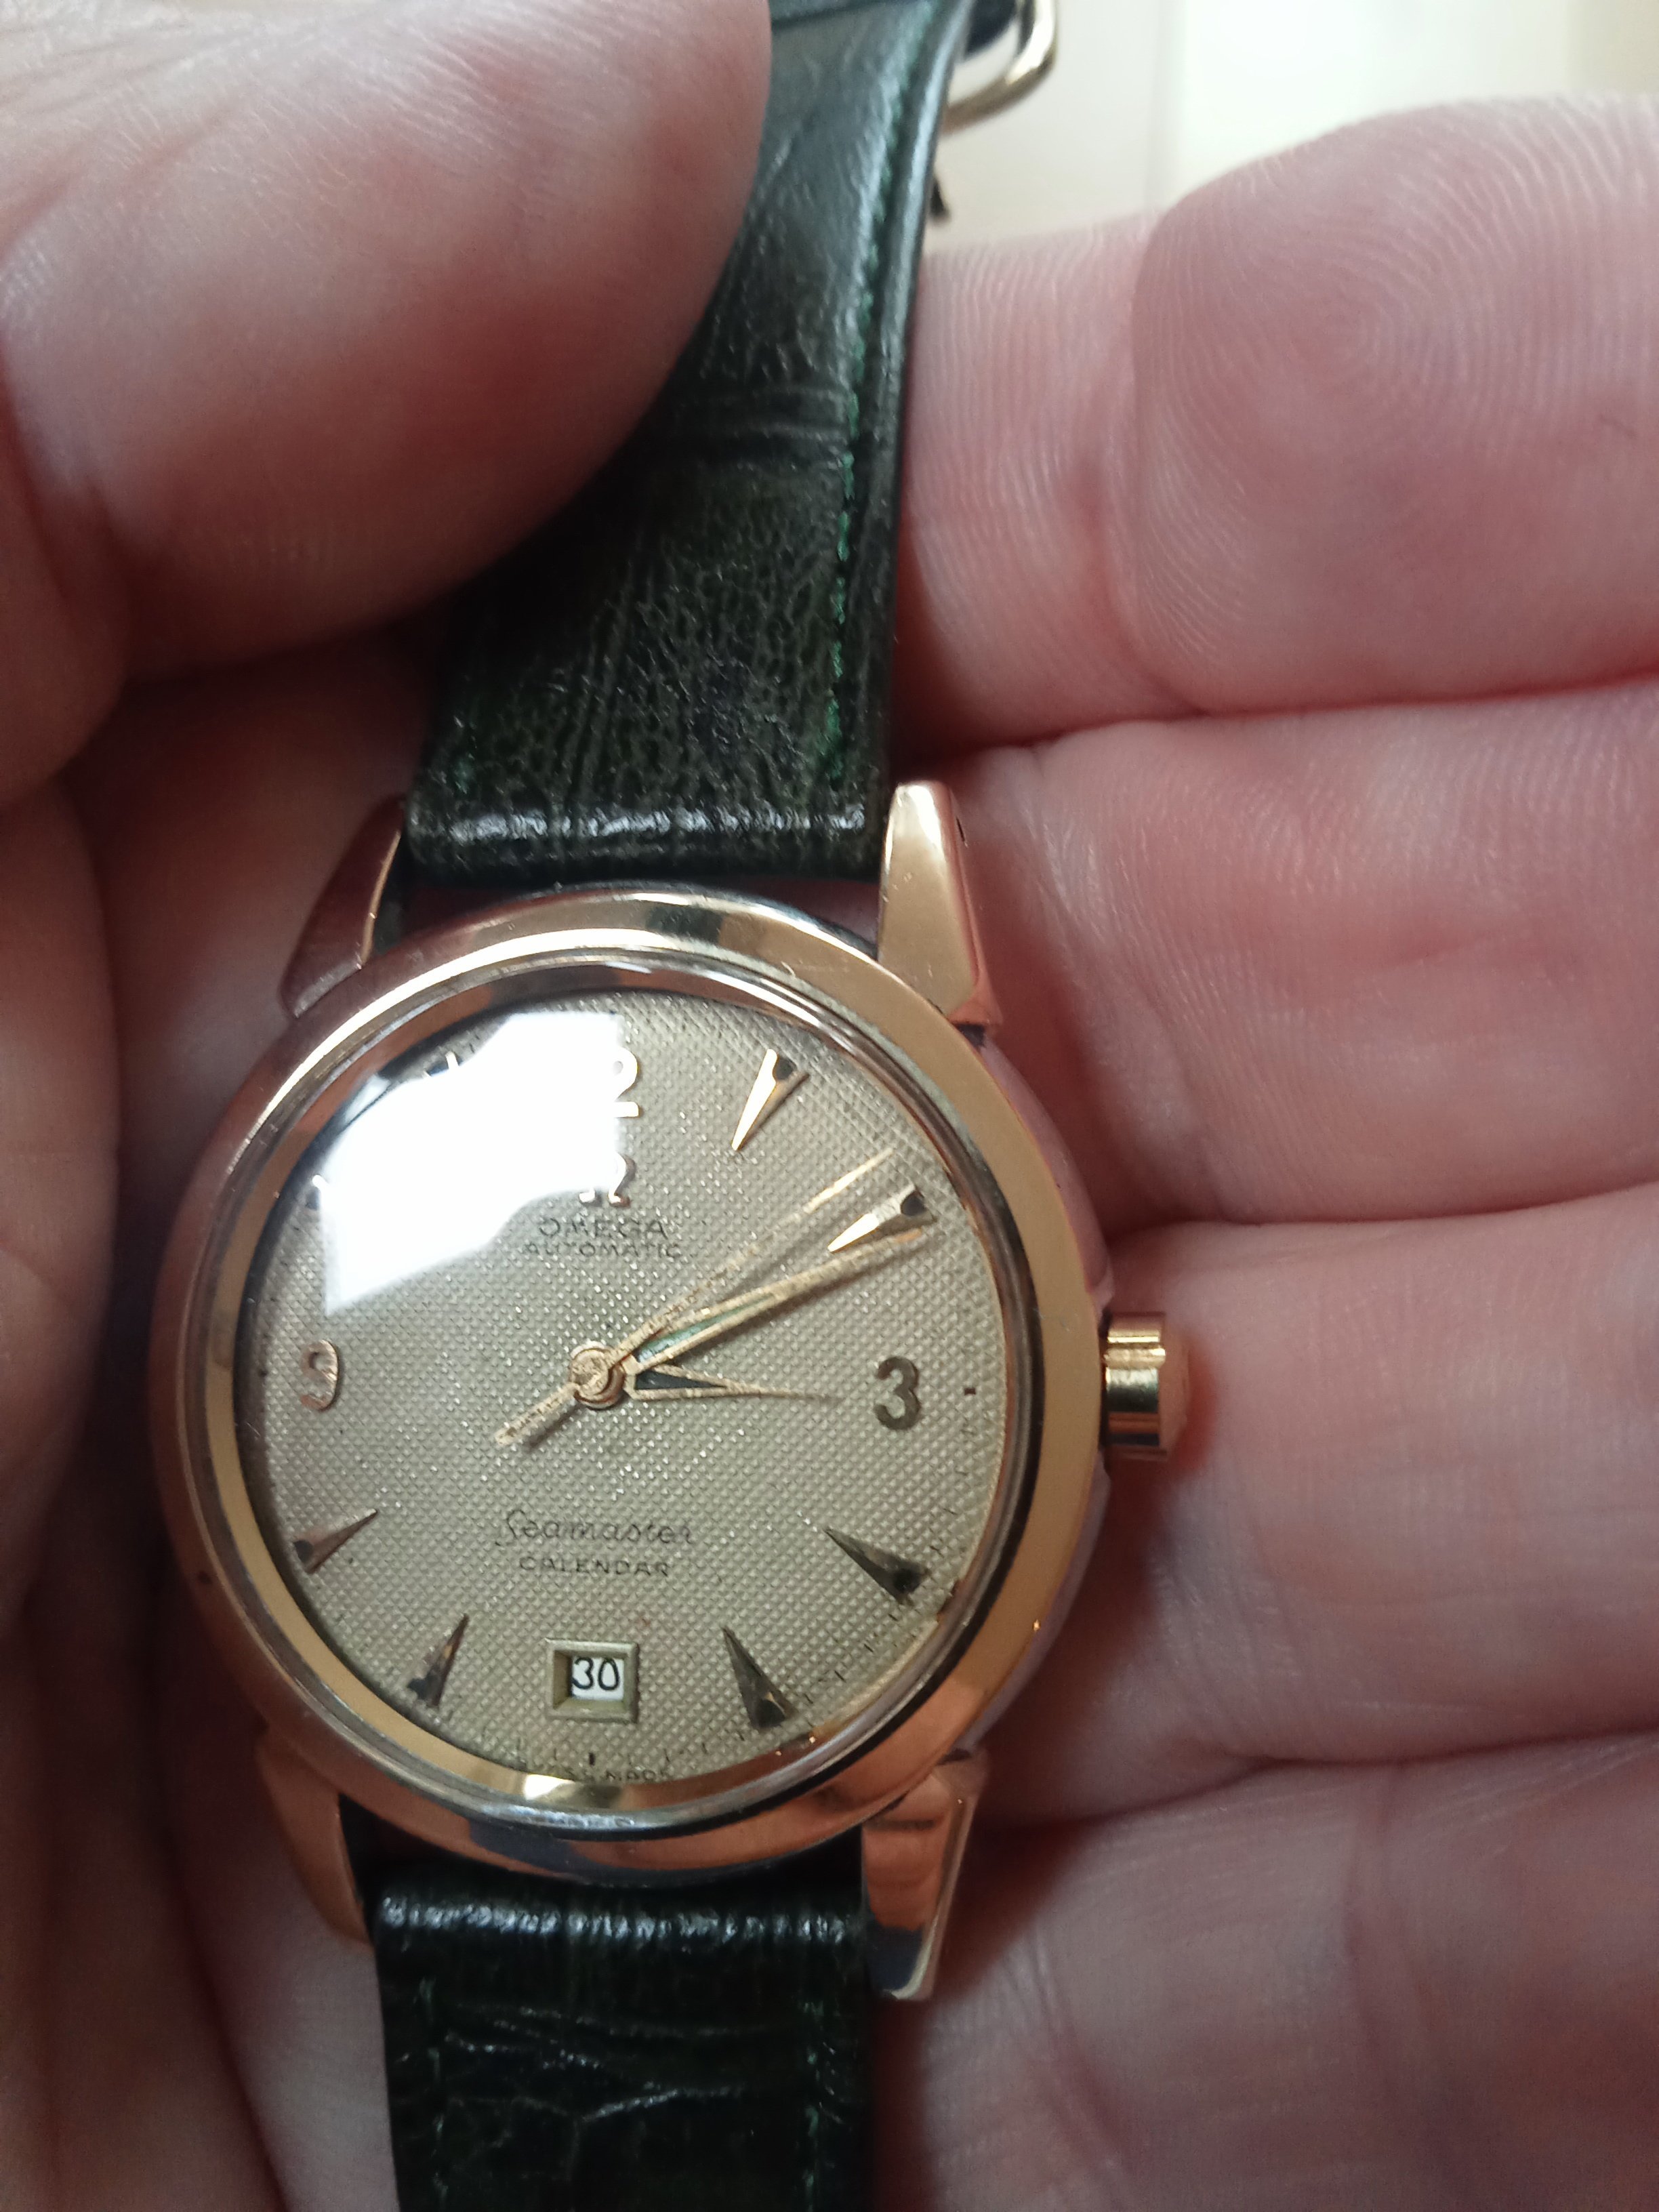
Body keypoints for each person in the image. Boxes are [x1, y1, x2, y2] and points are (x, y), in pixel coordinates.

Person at [5, 0, 1657, 2203]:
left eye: (614, 1367)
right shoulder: (426, 974)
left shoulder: (523, 941)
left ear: (1101, 1385)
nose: (600, 1374)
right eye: (608, 1369)